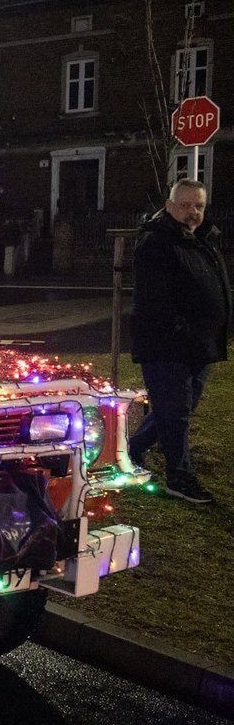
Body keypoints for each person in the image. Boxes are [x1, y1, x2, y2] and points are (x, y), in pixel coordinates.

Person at [128, 178, 230, 505]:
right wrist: (183, 333)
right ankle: (180, 478)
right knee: (176, 412)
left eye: (198, 205)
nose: (192, 212)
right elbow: (154, 301)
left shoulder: (199, 238)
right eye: (185, 205)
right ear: (170, 206)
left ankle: (132, 449)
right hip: (168, 347)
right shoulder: (157, 242)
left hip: (198, 346)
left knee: (177, 408)